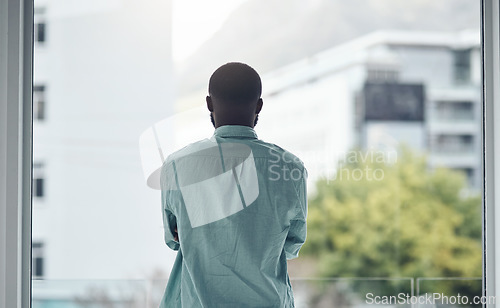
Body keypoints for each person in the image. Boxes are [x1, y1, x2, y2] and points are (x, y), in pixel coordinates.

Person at [160, 62, 307, 308]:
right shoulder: (291, 168)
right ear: (259, 105)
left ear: (209, 104)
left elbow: (174, 239)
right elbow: (292, 245)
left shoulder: (177, 165)